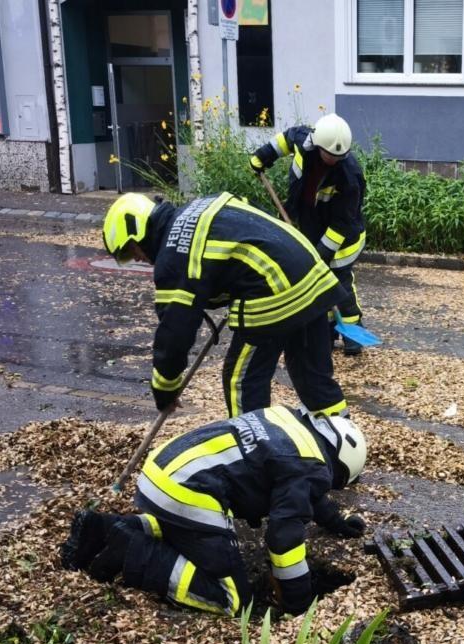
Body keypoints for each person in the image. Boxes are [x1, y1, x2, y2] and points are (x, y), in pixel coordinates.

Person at [60, 405, 367, 615]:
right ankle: (132, 550)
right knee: (231, 599)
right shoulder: (311, 468)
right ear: (339, 468)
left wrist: (334, 520)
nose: (327, 486)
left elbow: (301, 492)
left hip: (163, 470)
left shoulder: (288, 420)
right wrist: (299, 600)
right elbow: (283, 538)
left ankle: (100, 529)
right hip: (189, 492)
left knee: (187, 530)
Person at [102, 191, 350, 419]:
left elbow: (175, 332)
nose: (136, 258)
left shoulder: (173, 254)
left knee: (240, 382)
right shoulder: (201, 206)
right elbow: (250, 222)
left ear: (137, 231)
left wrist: (164, 387)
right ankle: (343, 451)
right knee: (314, 381)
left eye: (128, 251)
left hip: (275, 290)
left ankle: (256, 458)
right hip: (313, 273)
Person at [249, 114, 369, 355]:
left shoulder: (349, 176)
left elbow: (341, 223)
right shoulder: (303, 140)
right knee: (317, 282)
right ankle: (328, 329)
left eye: (339, 157)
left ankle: (353, 329)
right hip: (311, 225)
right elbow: (283, 140)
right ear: (317, 145)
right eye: (330, 156)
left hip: (344, 239)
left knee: (336, 279)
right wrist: (262, 156)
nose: (334, 160)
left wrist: (321, 254)